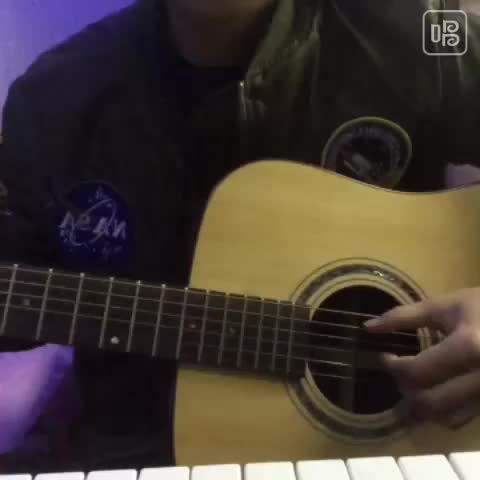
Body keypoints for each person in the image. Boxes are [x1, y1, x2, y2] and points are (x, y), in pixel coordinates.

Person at [1, 0, 480, 473]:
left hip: (413, 459)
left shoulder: (423, 31)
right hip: (129, 454)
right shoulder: (50, 98)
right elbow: (19, 288)